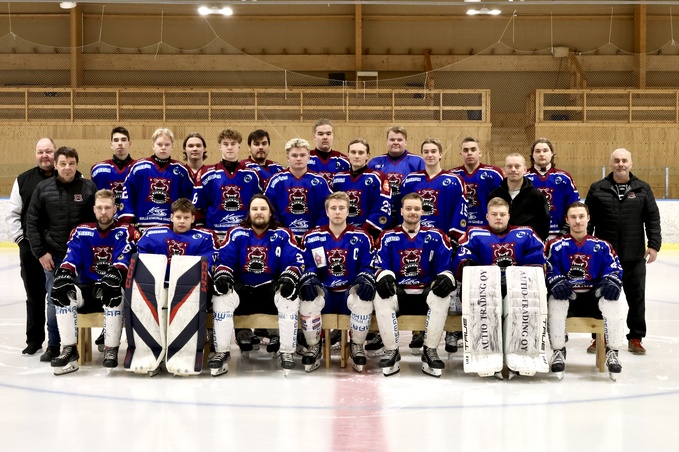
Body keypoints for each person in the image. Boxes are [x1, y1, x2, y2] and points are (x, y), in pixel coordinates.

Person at [453, 197, 547, 377]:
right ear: (487, 216)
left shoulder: (526, 233)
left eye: (502, 214)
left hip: (517, 288)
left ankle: (522, 352)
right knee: (485, 303)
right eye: (494, 214)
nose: (498, 217)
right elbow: (462, 256)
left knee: (523, 303)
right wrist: (465, 263)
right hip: (485, 289)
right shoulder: (473, 233)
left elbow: (538, 258)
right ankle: (484, 352)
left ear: (509, 216)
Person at [48, 190, 139, 375]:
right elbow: (72, 256)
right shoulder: (81, 231)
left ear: (115, 209)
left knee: (113, 292)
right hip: (88, 289)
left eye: (107, 208)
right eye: (100, 208)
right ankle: (69, 350)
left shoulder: (126, 231)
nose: (103, 212)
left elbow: (123, 257)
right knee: (62, 292)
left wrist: (114, 274)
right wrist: (64, 272)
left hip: (113, 290)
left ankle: (111, 348)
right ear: (94, 209)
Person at [212, 195, 306, 373]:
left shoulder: (283, 234)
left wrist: (290, 276)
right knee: (221, 295)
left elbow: (294, 261)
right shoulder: (236, 233)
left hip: (269, 291)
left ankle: (287, 351)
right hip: (243, 292)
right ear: (249, 213)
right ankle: (222, 351)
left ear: (270, 213)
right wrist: (223, 274)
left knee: (289, 295)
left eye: (263, 209)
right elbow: (224, 260)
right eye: (254, 209)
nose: (259, 212)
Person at [585, 148, 661, 355]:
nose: (621, 164)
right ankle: (599, 336)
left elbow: (652, 218)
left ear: (631, 164)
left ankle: (635, 337)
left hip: (634, 255)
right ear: (611, 164)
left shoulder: (642, 188)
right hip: (605, 257)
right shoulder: (597, 188)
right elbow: (588, 220)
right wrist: (587, 247)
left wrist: (654, 244)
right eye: (617, 161)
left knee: (636, 298)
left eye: (624, 161)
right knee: (600, 297)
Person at [372, 193, 457, 377]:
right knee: (380, 296)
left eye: (417, 209)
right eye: (409, 208)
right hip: (400, 295)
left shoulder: (436, 236)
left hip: (425, 295)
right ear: (401, 211)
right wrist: (383, 276)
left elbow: (445, 268)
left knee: (442, 296)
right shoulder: (387, 237)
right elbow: (380, 266)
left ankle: (430, 350)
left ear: (422, 212)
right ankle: (391, 351)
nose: (413, 212)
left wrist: (446, 277)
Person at [26, 146, 97, 362]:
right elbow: (32, 222)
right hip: (54, 257)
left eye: (71, 164)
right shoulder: (43, 188)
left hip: (81, 259)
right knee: (54, 302)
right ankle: (54, 345)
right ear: (55, 165)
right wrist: (41, 252)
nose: (67, 168)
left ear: (77, 165)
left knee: (80, 301)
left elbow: (96, 223)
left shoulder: (88, 188)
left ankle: (74, 345)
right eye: (63, 163)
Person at [400, 138, 468, 354]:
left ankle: (452, 331)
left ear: (440, 154)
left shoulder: (453, 180)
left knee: (447, 284)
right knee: (419, 280)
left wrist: (454, 236)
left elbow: (460, 208)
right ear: (422, 155)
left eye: (433, 151)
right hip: (417, 239)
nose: (430, 155)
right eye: (426, 151)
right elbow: (401, 208)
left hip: (443, 241)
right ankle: (418, 331)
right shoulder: (411, 180)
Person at [298, 192, 376, 372]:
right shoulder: (312, 237)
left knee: (363, 298)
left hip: (348, 293)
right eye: (333, 208)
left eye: (341, 208)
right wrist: (309, 277)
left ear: (348, 211)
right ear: (327, 212)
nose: (337, 212)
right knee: (309, 297)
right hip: (325, 293)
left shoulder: (362, 237)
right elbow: (306, 264)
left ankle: (357, 345)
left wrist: (364, 277)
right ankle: (314, 346)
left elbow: (368, 265)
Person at [545, 202, 624, 380]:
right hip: (569, 297)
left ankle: (613, 351)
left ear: (588, 218)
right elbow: (547, 267)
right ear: (567, 220)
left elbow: (614, 268)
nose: (578, 221)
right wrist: (555, 280)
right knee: (555, 301)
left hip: (593, 299)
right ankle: (558, 351)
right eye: (573, 217)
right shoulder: (555, 245)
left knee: (613, 300)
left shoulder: (602, 246)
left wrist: (611, 280)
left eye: (581, 216)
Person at [6, 137, 55, 356]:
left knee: (59, 296)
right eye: (40, 152)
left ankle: (59, 341)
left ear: (55, 153)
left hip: (59, 250)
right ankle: (34, 340)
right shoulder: (23, 179)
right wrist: (21, 241)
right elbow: (13, 214)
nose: (45, 156)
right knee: (34, 295)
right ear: (36, 155)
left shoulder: (70, 176)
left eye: (49, 151)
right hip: (31, 249)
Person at [193, 129, 262, 241]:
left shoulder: (252, 175)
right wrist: (203, 234)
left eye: (233, 144)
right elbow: (198, 208)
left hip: (244, 235)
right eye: (225, 144)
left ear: (239, 146)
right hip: (215, 236)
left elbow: (259, 207)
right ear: (220, 147)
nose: (229, 147)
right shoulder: (206, 174)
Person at [118, 128, 194, 230]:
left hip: (172, 228)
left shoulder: (181, 170)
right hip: (142, 226)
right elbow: (128, 194)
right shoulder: (138, 168)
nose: (163, 147)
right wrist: (128, 220)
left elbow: (189, 199)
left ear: (172, 146)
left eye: (167, 145)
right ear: (153, 145)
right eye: (159, 144)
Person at [263, 138, 332, 240]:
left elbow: (327, 210)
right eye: (294, 155)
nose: (298, 159)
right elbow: (268, 209)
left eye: (302, 155)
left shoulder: (320, 182)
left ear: (308, 157)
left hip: (313, 238)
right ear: (288, 157)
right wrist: (282, 232)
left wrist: (315, 233)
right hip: (282, 238)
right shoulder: (276, 181)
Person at [331, 138, 391, 240]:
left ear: (368, 155)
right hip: (342, 236)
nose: (357, 156)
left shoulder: (378, 178)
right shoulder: (337, 179)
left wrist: (365, 233)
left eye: (361, 153)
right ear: (348, 155)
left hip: (368, 236)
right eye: (353, 152)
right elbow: (331, 207)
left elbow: (382, 208)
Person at [368, 125, 425, 226]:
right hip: (381, 213)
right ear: (387, 142)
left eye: (399, 140)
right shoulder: (374, 162)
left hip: (408, 215)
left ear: (406, 142)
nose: (395, 142)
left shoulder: (417, 162)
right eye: (392, 139)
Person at [525, 138, 580, 239]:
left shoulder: (564, 177)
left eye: (545, 150)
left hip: (560, 233)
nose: (541, 154)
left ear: (552, 154)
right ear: (532, 155)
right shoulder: (524, 178)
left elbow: (574, 206)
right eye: (537, 151)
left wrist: (566, 228)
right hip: (531, 235)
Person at [488, 153, 550, 241]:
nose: (513, 169)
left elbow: (544, 224)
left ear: (524, 170)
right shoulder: (495, 195)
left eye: (517, 166)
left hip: (527, 244)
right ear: (504, 170)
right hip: (500, 243)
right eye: (509, 166)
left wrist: (535, 243)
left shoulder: (537, 196)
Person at [451, 137, 504, 227]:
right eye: (466, 150)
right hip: (460, 227)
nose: (469, 153)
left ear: (480, 153)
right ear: (461, 154)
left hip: (486, 227)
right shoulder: (453, 175)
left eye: (473, 150)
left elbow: (501, 203)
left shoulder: (493, 173)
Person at [91, 126, 136, 209]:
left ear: (129, 144)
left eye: (123, 140)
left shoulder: (138, 168)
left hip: (130, 215)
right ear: (111, 145)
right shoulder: (98, 169)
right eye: (116, 140)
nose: (120, 143)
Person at [308, 118, 350, 185]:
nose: (325, 137)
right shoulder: (305, 159)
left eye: (328, 134)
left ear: (333, 136)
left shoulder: (344, 161)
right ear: (314, 137)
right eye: (320, 134)